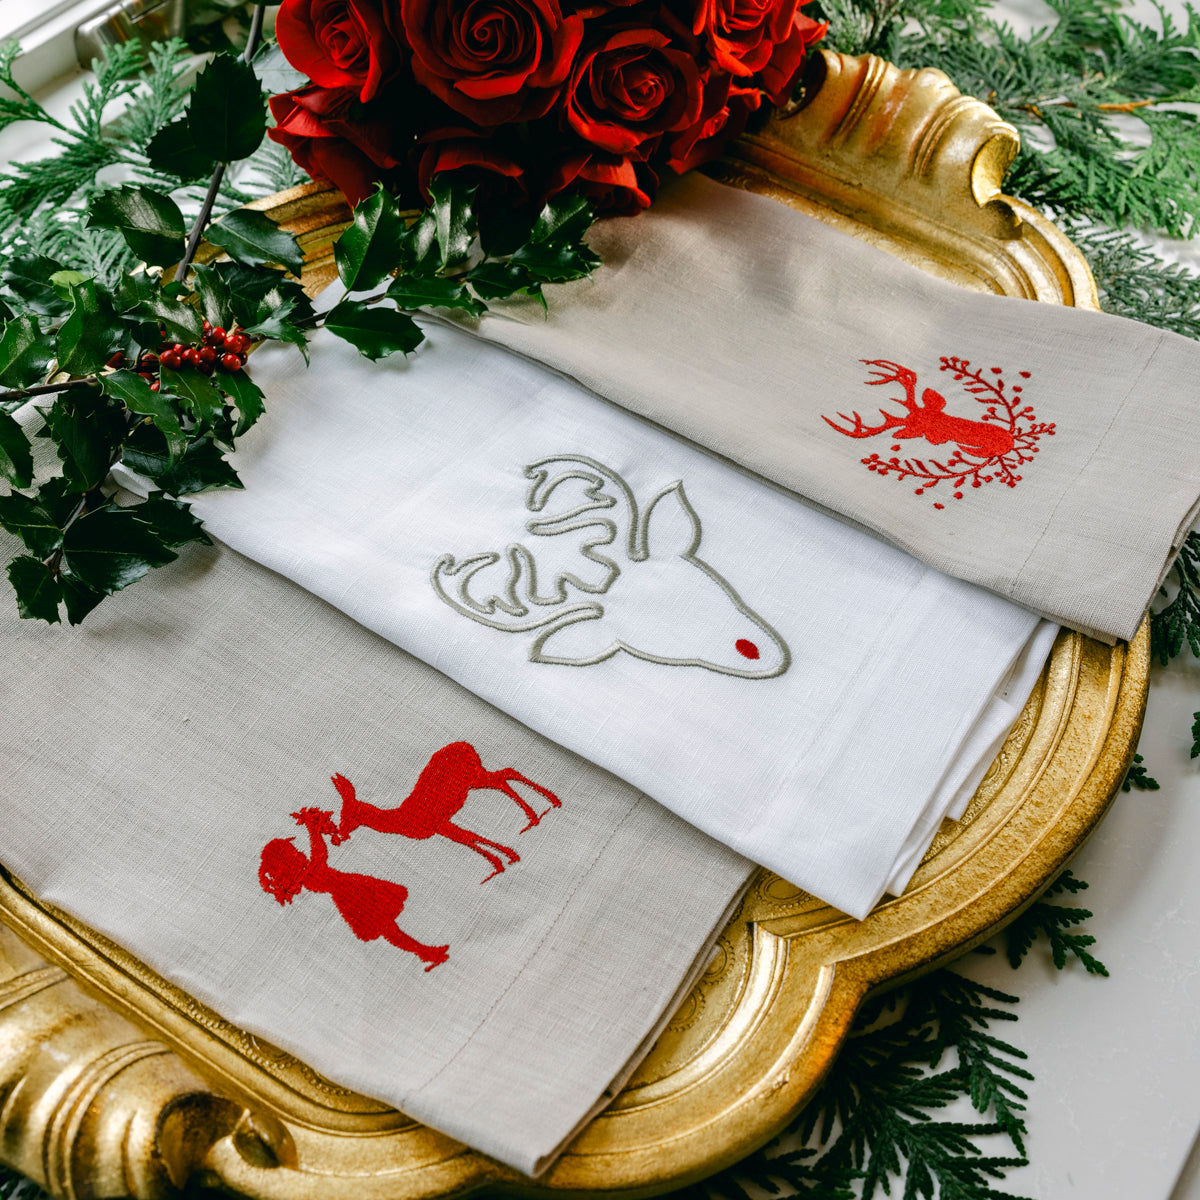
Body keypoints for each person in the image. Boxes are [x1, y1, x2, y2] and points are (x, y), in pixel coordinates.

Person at [258, 806, 449, 971]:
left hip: (352, 891)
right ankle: (424, 951)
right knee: (388, 928)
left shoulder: (307, 874)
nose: (299, 853)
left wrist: (313, 827)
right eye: (294, 852)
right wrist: (311, 828)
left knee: (389, 928)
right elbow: (319, 853)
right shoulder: (309, 874)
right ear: (288, 862)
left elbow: (318, 853)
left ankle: (424, 951)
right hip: (353, 896)